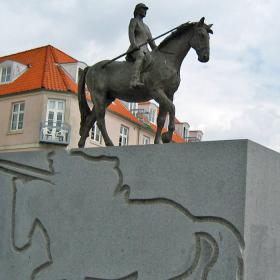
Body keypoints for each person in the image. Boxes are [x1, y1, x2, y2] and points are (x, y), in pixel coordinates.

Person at [126, 3, 157, 89]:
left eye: (146, 10)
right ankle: (134, 80)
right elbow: (131, 33)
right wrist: (133, 44)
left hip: (145, 50)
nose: (145, 11)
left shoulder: (146, 27)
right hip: (136, 48)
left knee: (153, 61)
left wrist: (158, 49)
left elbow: (151, 42)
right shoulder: (134, 21)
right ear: (138, 10)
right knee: (141, 56)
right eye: (143, 9)